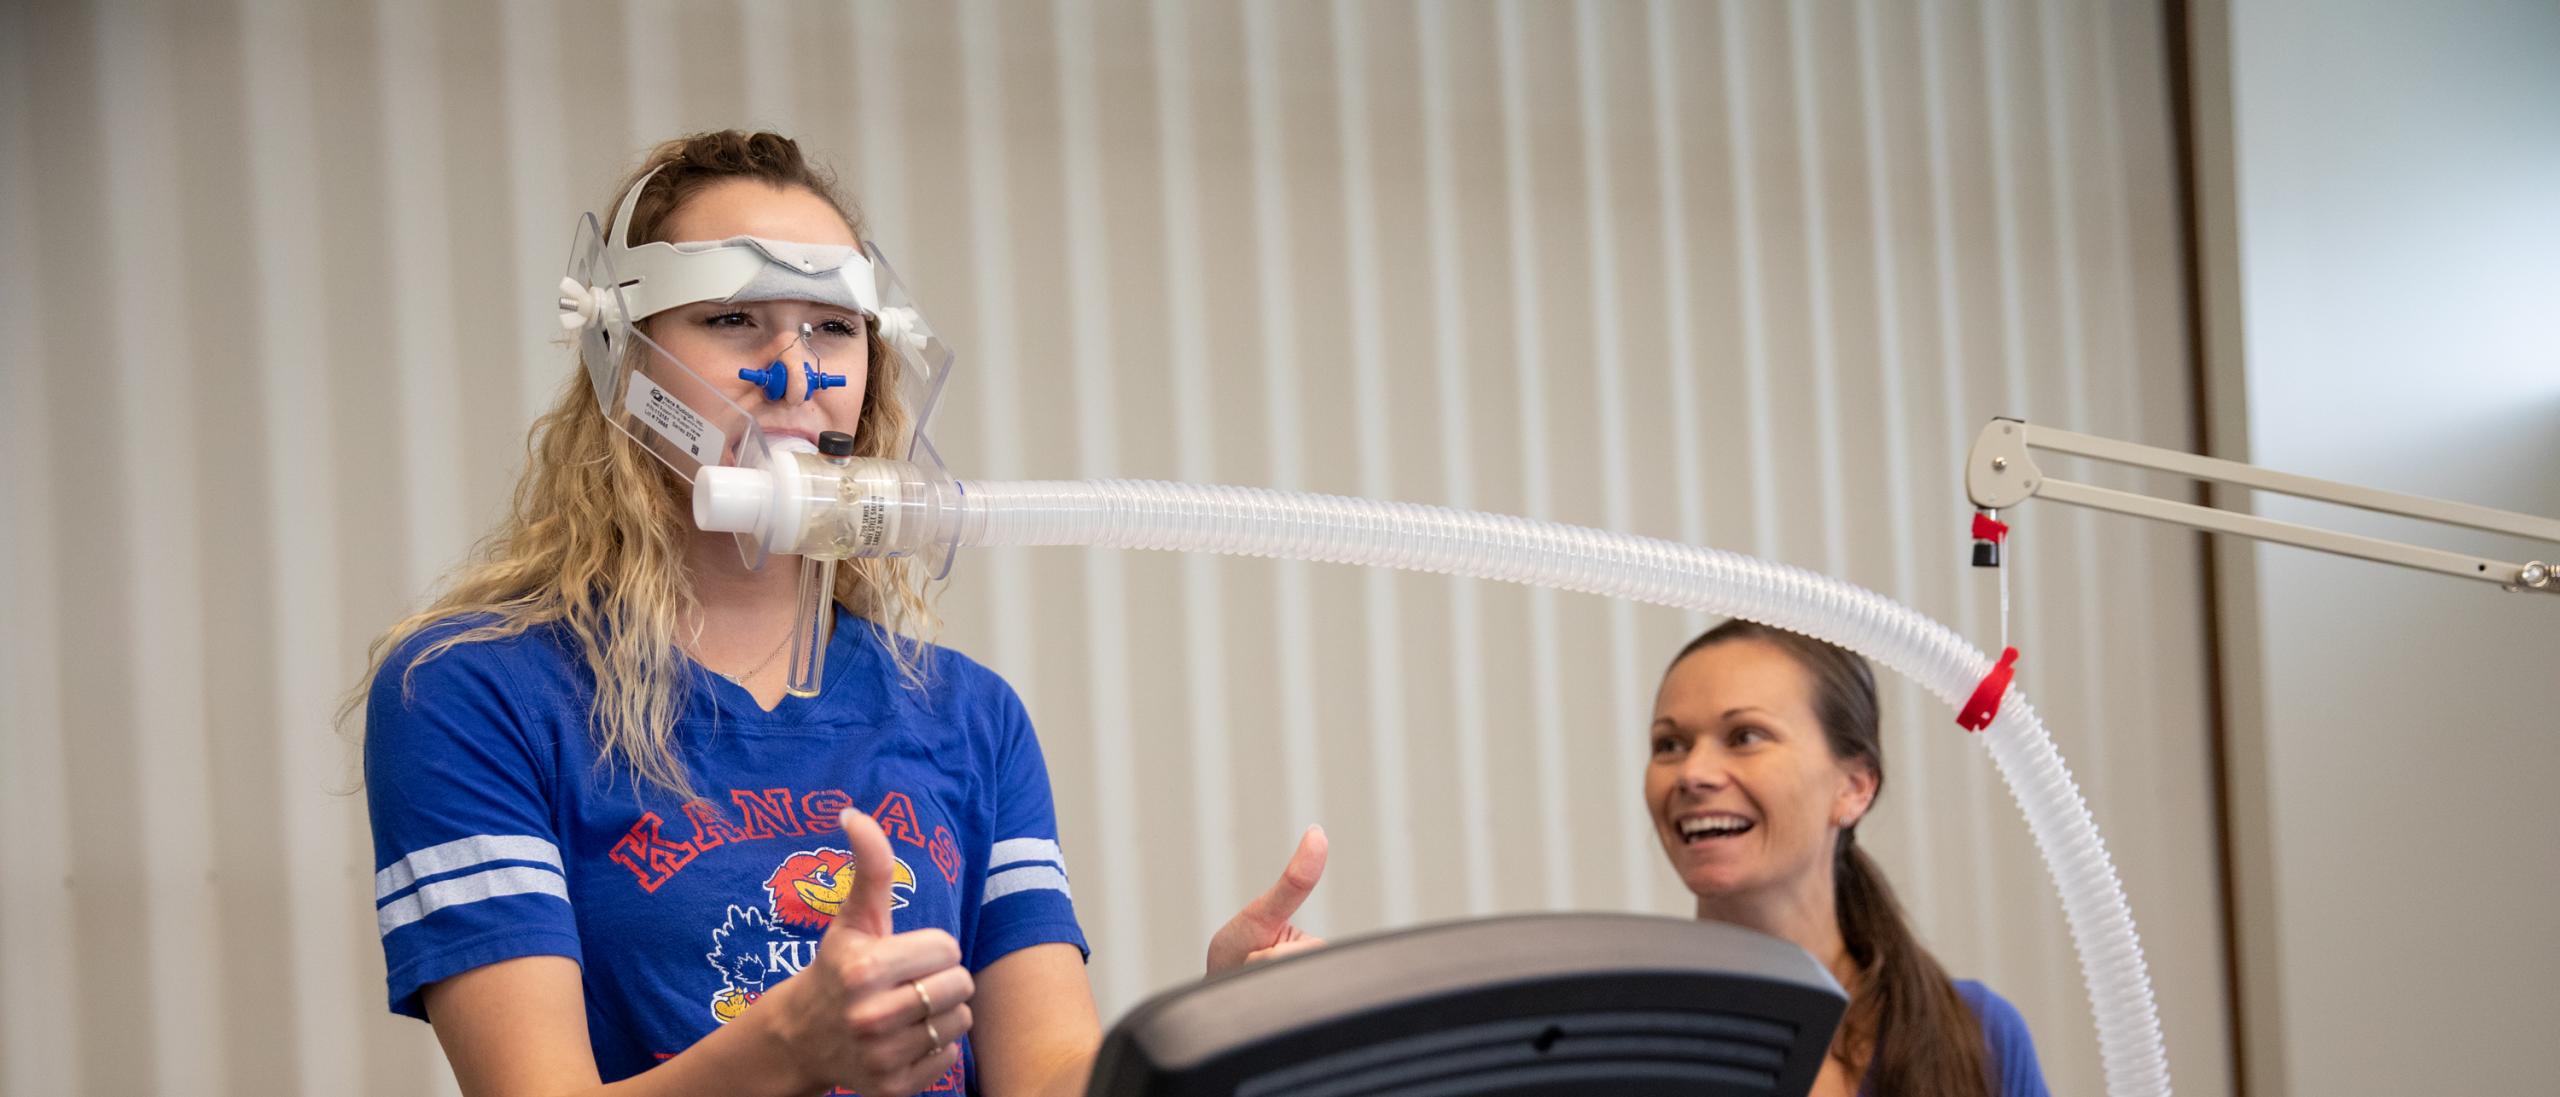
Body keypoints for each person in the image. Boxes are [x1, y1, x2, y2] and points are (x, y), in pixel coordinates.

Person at [352, 130, 1325, 1097]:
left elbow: (1046, 1077)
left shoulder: (966, 714)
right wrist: (783, 1049)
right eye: (734, 319)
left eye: (831, 326)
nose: (793, 371)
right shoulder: (474, 691)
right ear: (624, 357)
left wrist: (1209, 1047)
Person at [1644, 619, 2051, 1097]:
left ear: (1854, 787)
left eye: (1745, 737)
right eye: (1670, 745)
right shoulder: (1621, 1044)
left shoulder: (1978, 1037)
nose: (1693, 773)